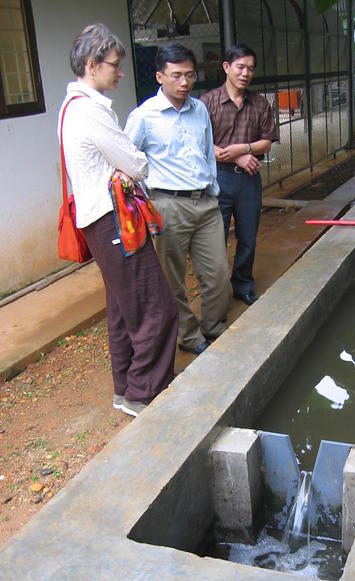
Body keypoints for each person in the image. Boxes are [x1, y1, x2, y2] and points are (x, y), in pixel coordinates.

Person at [59, 23, 179, 417]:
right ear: (92, 65)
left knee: (124, 308)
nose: (121, 72)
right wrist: (129, 167)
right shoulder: (90, 111)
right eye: (114, 65)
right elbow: (136, 163)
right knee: (156, 308)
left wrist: (123, 167)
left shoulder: (70, 108)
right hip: (115, 223)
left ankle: (126, 388)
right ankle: (144, 393)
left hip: (99, 222)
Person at [125, 43, 229, 355]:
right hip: (168, 206)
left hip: (206, 204)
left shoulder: (199, 109)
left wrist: (212, 188)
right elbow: (126, 161)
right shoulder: (144, 116)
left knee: (218, 274)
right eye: (176, 76)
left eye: (189, 75)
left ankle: (213, 326)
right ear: (160, 76)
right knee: (173, 279)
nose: (184, 82)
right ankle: (189, 335)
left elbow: (208, 151)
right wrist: (148, 201)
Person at [200, 44, 278, 306]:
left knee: (248, 235)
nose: (246, 73)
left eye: (251, 69)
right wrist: (238, 156)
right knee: (215, 237)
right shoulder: (207, 103)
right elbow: (201, 143)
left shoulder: (259, 104)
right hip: (217, 178)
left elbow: (266, 142)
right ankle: (217, 291)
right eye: (240, 67)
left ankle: (243, 283)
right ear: (226, 67)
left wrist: (243, 149)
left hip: (248, 181)